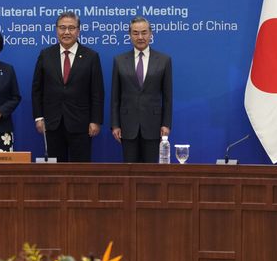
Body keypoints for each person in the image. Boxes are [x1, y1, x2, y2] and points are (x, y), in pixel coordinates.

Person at [31, 11, 104, 162]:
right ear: (56, 29)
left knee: (81, 171)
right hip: (52, 123)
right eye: (62, 27)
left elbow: (97, 92)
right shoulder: (46, 54)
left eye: (71, 28)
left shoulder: (91, 56)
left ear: (78, 30)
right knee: (55, 170)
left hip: (81, 124)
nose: (66, 32)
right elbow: (37, 89)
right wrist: (38, 117)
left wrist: (95, 120)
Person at [111, 17, 173, 162]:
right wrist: (115, 124)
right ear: (130, 35)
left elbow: (168, 97)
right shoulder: (119, 60)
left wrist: (166, 124)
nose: (140, 37)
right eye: (136, 33)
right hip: (127, 126)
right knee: (130, 171)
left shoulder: (164, 60)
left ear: (151, 34)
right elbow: (115, 97)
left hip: (153, 125)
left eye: (144, 32)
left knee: (150, 173)